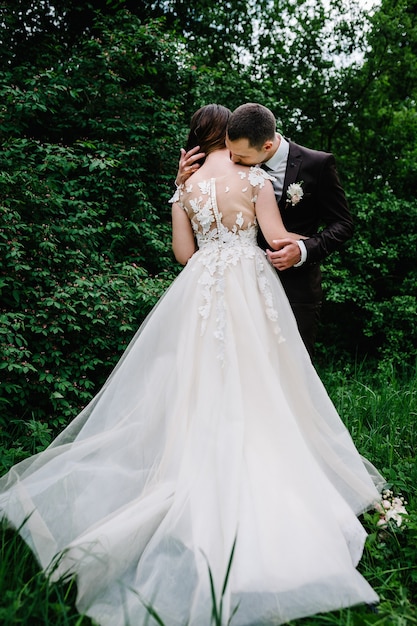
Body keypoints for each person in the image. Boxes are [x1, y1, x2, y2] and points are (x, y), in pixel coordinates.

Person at [0, 104, 383, 626]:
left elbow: (183, 253)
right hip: (249, 288)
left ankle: (189, 460)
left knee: (200, 382)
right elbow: (274, 240)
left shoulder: (184, 189)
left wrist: (190, 208)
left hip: (201, 290)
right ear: (232, 137)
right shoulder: (255, 180)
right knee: (263, 383)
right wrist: (296, 245)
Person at [177, 102, 354, 358]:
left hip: (296, 287)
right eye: (229, 151)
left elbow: (343, 224)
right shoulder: (242, 160)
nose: (233, 160)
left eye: (240, 157)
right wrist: (181, 180)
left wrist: (304, 248)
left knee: (292, 370)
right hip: (239, 287)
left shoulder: (317, 164)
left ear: (266, 147)